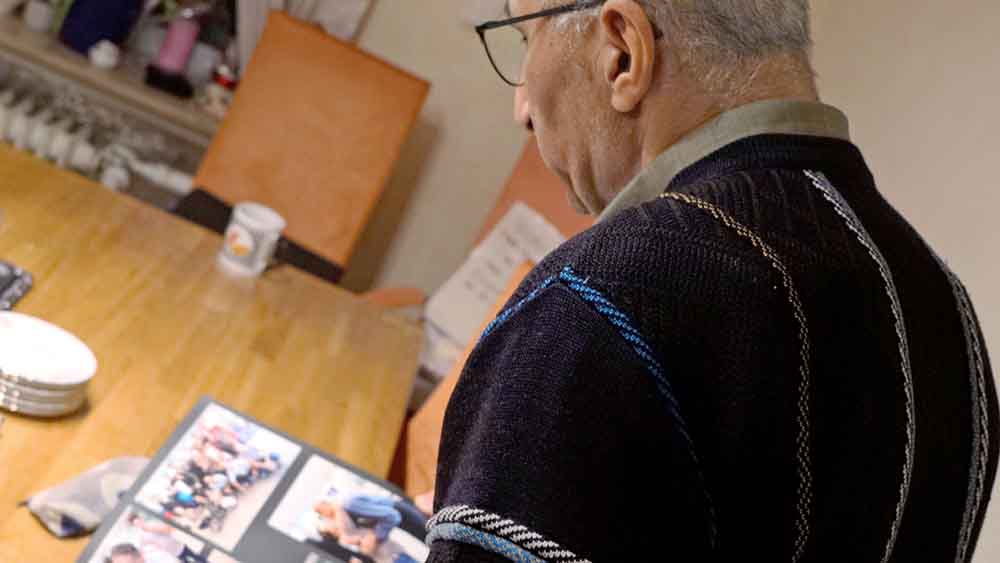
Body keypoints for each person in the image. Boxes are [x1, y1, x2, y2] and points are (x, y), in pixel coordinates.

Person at [425, 1, 998, 562]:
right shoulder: (951, 321)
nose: (521, 107)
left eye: (525, 41)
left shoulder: (596, 301)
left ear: (623, 52)